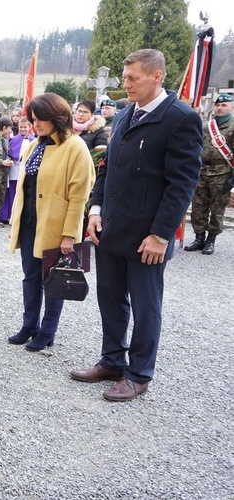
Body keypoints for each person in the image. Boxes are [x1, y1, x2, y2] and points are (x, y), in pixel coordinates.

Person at [71, 49, 203, 402]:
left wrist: (161, 234)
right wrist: (96, 209)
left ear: (157, 76)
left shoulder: (180, 119)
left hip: (148, 237)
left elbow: (183, 183)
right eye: (125, 77)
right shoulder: (127, 113)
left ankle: (139, 373)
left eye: (133, 78)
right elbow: (108, 167)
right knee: (111, 299)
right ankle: (112, 361)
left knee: (146, 306)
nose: (125, 85)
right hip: (112, 228)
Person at [7, 93, 94, 352]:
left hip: (56, 227)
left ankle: (47, 331)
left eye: (41, 119)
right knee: (30, 277)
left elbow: (79, 196)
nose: (36, 125)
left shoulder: (75, 147)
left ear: (57, 117)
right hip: (31, 223)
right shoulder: (35, 145)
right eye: (34, 119)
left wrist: (70, 235)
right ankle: (29, 325)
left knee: (54, 280)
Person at [184, 93, 234, 255]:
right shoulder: (207, 126)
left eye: (224, 105)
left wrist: (233, 178)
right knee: (198, 206)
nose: (220, 108)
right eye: (218, 105)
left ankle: (211, 240)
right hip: (201, 171)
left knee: (217, 209)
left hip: (222, 173)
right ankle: (199, 238)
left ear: (231, 107)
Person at [0, 117, 35, 223]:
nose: (22, 129)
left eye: (25, 127)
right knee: (13, 191)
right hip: (15, 168)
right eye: (20, 127)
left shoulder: (34, 141)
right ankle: (10, 214)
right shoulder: (13, 139)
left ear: (29, 127)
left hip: (27, 169)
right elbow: (9, 153)